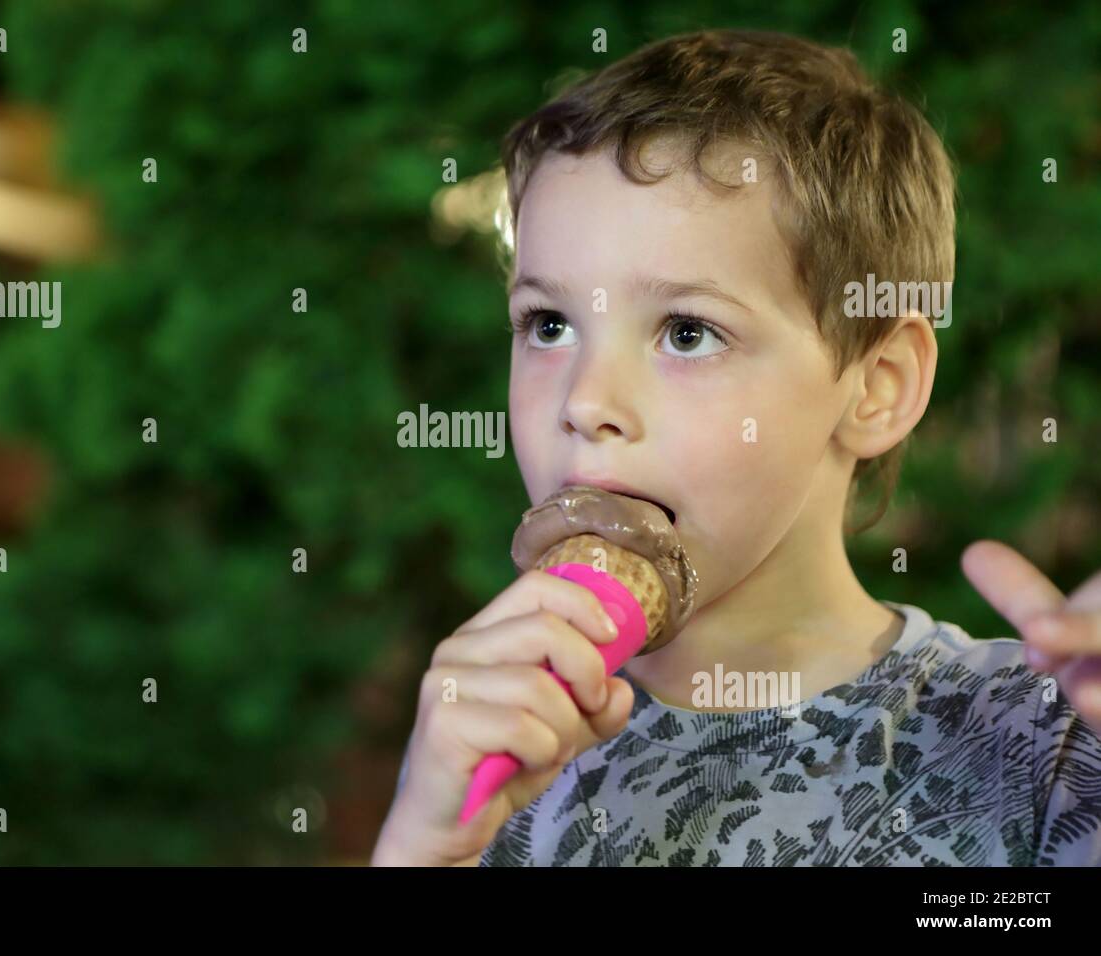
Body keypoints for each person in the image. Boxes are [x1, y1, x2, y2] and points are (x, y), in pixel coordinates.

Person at [371, 29, 1101, 867]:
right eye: (550, 324)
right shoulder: (496, 746)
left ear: (877, 386)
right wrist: (423, 848)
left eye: (687, 333)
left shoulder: (1040, 743)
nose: (584, 402)